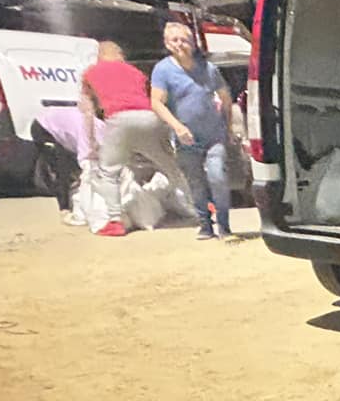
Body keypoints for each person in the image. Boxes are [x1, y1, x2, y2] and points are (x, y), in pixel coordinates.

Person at [78, 40, 177, 238]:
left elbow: (87, 110)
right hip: (149, 117)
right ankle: (200, 208)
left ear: (99, 55)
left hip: (119, 120)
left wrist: (91, 142)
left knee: (109, 172)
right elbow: (156, 99)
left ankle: (115, 221)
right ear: (120, 55)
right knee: (171, 166)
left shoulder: (90, 72)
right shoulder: (136, 72)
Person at [150, 21, 238, 241]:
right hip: (185, 139)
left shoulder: (209, 69)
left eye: (184, 40)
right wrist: (178, 127)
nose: (180, 44)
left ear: (193, 43)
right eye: (175, 40)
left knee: (218, 177)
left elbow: (226, 99)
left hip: (214, 135)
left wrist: (228, 128)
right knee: (196, 183)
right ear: (167, 44)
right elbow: (156, 102)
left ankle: (224, 227)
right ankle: (205, 225)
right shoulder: (162, 70)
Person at [29, 107, 90, 227]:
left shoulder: (97, 123)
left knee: (74, 169)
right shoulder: (87, 131)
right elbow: (86, 159)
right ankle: (64, 210)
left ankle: (74, 202)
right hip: (44, 128)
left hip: (63, 130)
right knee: (62, 169)